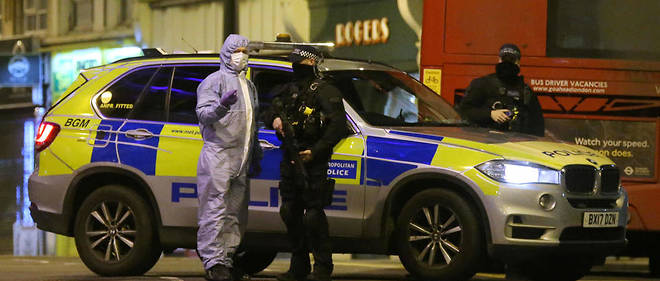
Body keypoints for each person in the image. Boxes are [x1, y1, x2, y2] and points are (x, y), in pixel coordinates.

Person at [267, 46, 348, 281]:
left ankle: (322, 266)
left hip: (314, 161)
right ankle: (298, 265)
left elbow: (338, 127)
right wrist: (274, 119)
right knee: (289, 211)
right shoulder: (289, 89)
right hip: (290, 157)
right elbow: (271, 109)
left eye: (299, 64)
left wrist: (315, 151)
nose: (295, 68)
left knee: (313, 215)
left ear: (311, 64)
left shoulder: (325, 91)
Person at [195, 34, 261, 281]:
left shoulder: (249, 85)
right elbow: (203, 114)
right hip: (219, 155)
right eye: (238, 50)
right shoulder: (213, 82)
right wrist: (221, 106)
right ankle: (213, 262)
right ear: (226, 53)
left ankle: (227, 258)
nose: (242, 55)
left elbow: (251, 123)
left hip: (240, 159)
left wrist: (255, 154)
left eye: (245, 51)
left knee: (235, 212)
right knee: (214, 209)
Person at [458, 43, 545, 136]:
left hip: (517, 143)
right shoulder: (482, 84)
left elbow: (538, 124)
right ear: (499, 60)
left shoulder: (526, 91)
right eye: (504, 59)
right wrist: (490, 114)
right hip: (486, 141)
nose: (507, 63)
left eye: (512, 59)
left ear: (518, 63)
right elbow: (464, 111)